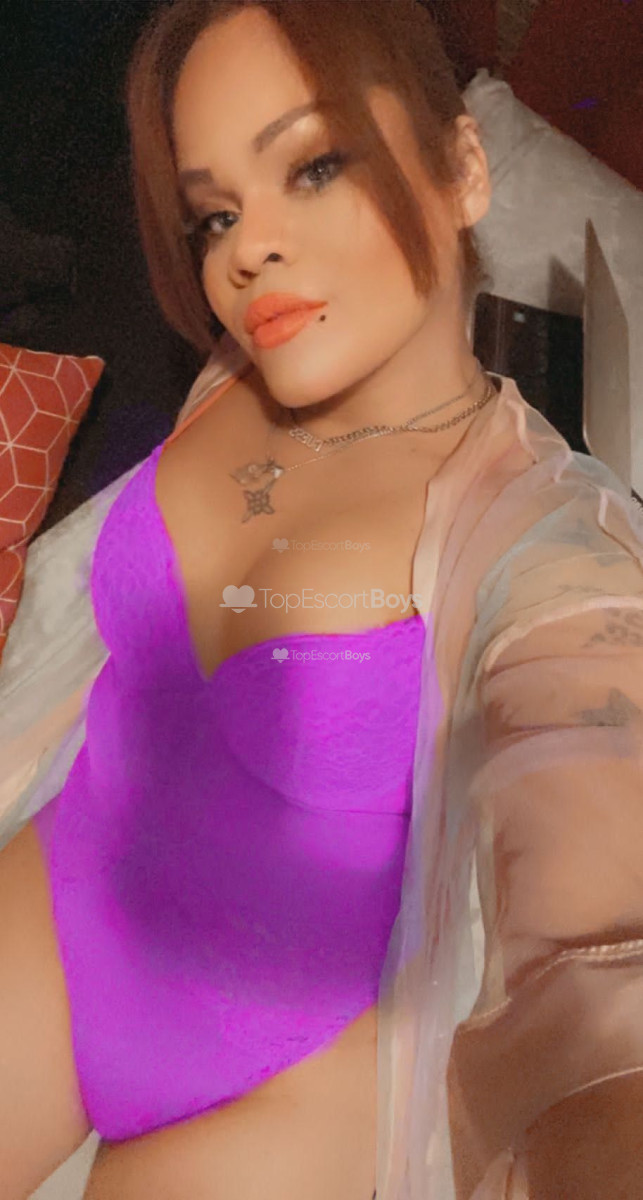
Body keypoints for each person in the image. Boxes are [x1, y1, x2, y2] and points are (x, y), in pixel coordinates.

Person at [2, 2, 643, 1198]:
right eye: (215, 214)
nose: (246, 252)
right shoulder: (237, 372)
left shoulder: (550, 547)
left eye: (312, 166)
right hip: (65, 895)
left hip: (273, 1087)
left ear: (461, 170)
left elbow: (598, 949)